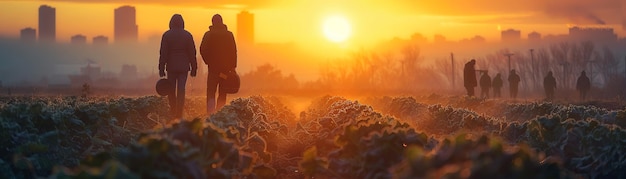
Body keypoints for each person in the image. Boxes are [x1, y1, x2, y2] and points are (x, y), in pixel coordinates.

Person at [158, 14, 198, 118]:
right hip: (184, 67)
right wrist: (194, 68)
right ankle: (179, 112)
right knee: (181, 89)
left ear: (171, 23)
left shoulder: (166, 35)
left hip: (171, 67)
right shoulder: (188, 35)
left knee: (171, 89)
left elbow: (163, 53)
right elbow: (192, 53)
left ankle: (173, 109)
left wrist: (161, 68)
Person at [200, 14, 237, 114]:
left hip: (213, 69)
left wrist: (208, 61)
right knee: (223, 91)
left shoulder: (208, 34)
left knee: (211, 91)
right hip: (225, 70)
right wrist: (233, 67)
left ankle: (210, 114)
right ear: (222, 22)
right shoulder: (229, 34)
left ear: (212, 22)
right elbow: (233, 51)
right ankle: (220, 113)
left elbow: (203, 49)